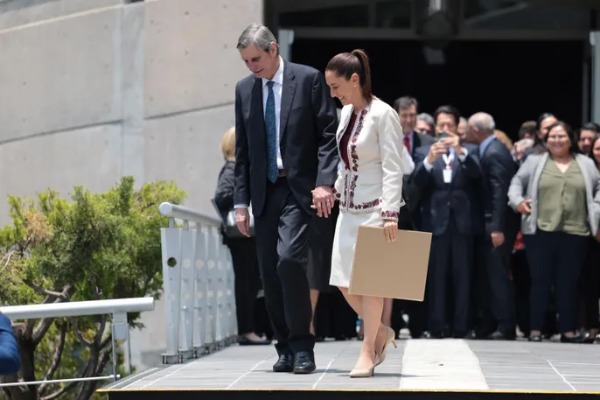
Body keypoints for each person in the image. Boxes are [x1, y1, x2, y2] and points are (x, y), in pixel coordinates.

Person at [233, 24, 338, 374]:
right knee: (269, 273)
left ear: (274, 49)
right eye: (246, 61)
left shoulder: (307, 80)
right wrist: (240, 204)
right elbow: (243, 153)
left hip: (299, 190)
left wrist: (325, 183)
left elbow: (327, 135)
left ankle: (303, 345)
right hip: (264, 192)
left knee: (289, 261)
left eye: (256, 59)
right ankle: (285, 348)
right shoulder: (244, 89)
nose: (252, 67)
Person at [324, 49, 405, 378]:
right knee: (342, 282)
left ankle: (367, 350)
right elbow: (344, 161)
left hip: (375, 210)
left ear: (354, 79)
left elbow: (393, 167)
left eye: (336, 86)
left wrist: (390, 213)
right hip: (348, 209)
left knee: (371, 284)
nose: (333, 93)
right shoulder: (346, 113)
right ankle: (381, 331)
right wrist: (334, 189)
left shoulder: (384, 114)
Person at [508, 121, 600, 343]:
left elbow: (598, 187)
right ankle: (536, 330)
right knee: (540, 280)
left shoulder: (585, 163)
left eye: (561, 136)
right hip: (540, 231)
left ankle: (568, 330)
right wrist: (518, 202)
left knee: (568, 282)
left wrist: (596, 208)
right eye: (552, 137)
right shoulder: (535, 161)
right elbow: (516, 183)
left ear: (570, 140)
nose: (557, 141)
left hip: (576, 231)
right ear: (545, 140)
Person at [214, 127, 270, 346]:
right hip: (240, 236)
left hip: (244, 235)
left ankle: (250, 329)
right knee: (246, 283)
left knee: (251, 282)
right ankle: (246, 330)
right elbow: (222, 196)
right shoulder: (231, 169)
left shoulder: (236, 168)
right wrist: (244, 197)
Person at [466, 113, 518, 340]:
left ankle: (506, 325)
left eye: (469, 129)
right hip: (491, 224)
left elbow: (499, 192)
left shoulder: (495, 152)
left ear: (477, 130)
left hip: (498, 226)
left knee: (498, 276)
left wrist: (497, 227)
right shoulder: (489, 148)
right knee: (490, 275)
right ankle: (492, 323)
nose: (466, 133)